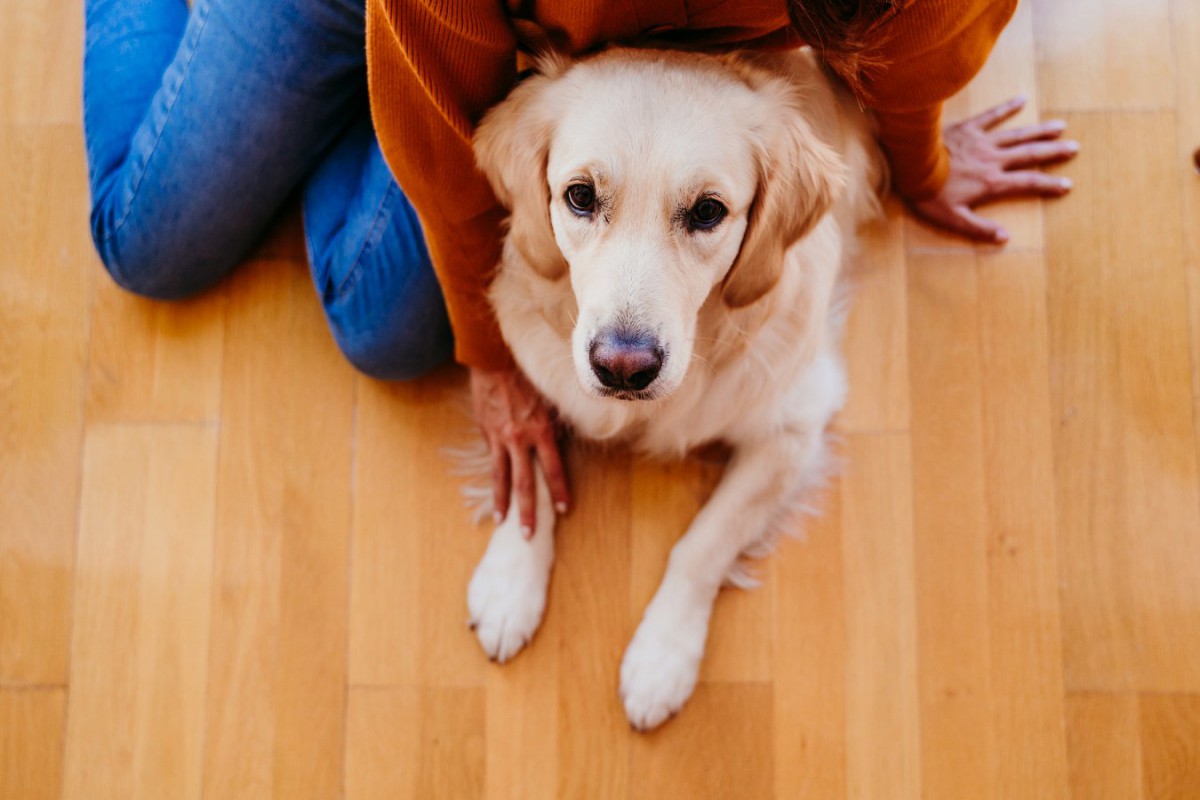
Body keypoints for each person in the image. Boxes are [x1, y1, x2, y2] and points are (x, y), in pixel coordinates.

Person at [84, 0, 1078, 534]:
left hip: (522, 75)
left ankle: (318, 104)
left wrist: (920, 166)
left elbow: (914, 47)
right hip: (444, 33)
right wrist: (492, 355)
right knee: (147, 245)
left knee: (379, 327)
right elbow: (438, 133)